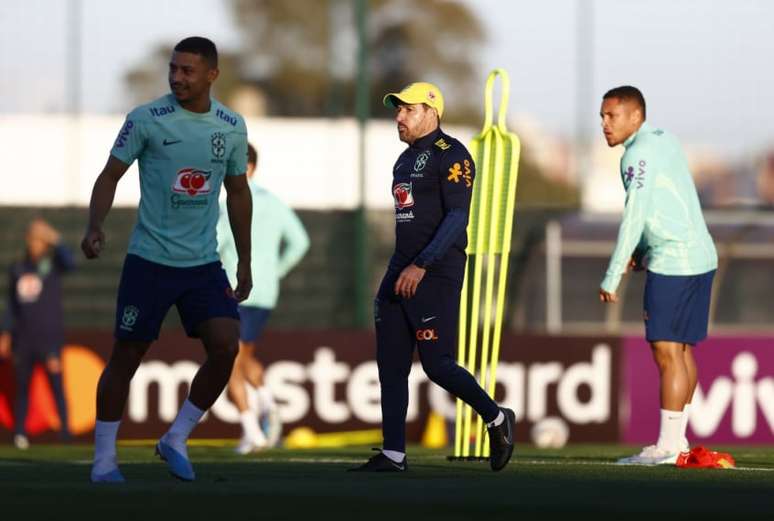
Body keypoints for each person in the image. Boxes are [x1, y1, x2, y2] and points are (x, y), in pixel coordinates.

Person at [81, 36, 252, 483]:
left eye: (188, 71)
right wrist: (94, 225)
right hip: (149, 261)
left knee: (226, 346)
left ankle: (175, 437)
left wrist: (246, 262)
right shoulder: (145, 119)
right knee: (127, 355)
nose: (177, 77)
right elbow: (109, 175)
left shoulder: (231, 126)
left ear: (212, 75)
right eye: (173, 69)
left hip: (202, 265)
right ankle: (103, 461)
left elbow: (238, 192)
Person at [349, 82, 515, 473]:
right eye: (398, 109)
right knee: (390, 364)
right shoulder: (403, 161)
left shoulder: (453, 155)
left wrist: (422, 264)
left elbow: (458, 218)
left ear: (430, 111)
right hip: (401, 269)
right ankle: (393, 453)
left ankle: (496, 418)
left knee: (437, 364)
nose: (399, 116)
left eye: (407, 109)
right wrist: (398, 272)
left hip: (436, 272)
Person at [598, 86, 717, 465]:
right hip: (701, 254)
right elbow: (667, 201)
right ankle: (677, 444)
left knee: (666, 352)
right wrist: (641, 251)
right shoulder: (663, 139)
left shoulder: (638, 153)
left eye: (611, 116)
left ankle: (666, 447)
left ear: (636, 117)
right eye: (602, 116)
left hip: (674, 261)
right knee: (680, 351)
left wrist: (614, 272)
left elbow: (636, 212)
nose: (604, 124)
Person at [217, 142, 309, 454]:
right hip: (265, 292)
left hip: (235, 291)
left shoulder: (229, 203)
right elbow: (300, 242)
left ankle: (252, 431)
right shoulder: (275, 202)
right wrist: (276, 272)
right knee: (242, 358)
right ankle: (269, 404)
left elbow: (214, 245)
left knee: (227, 363)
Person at [0, 219, 75, 450]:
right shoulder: (18, 268)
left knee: (56, 386)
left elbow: (71, 263)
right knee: (22, 388)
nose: (35, 244)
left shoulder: (52, 265)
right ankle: (20, 432)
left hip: (49, 339)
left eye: (38, 240)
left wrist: (54, 237)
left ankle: (65, 431)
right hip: (24, 339)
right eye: (32, 239)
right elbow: (12, 305)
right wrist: (5, 333)